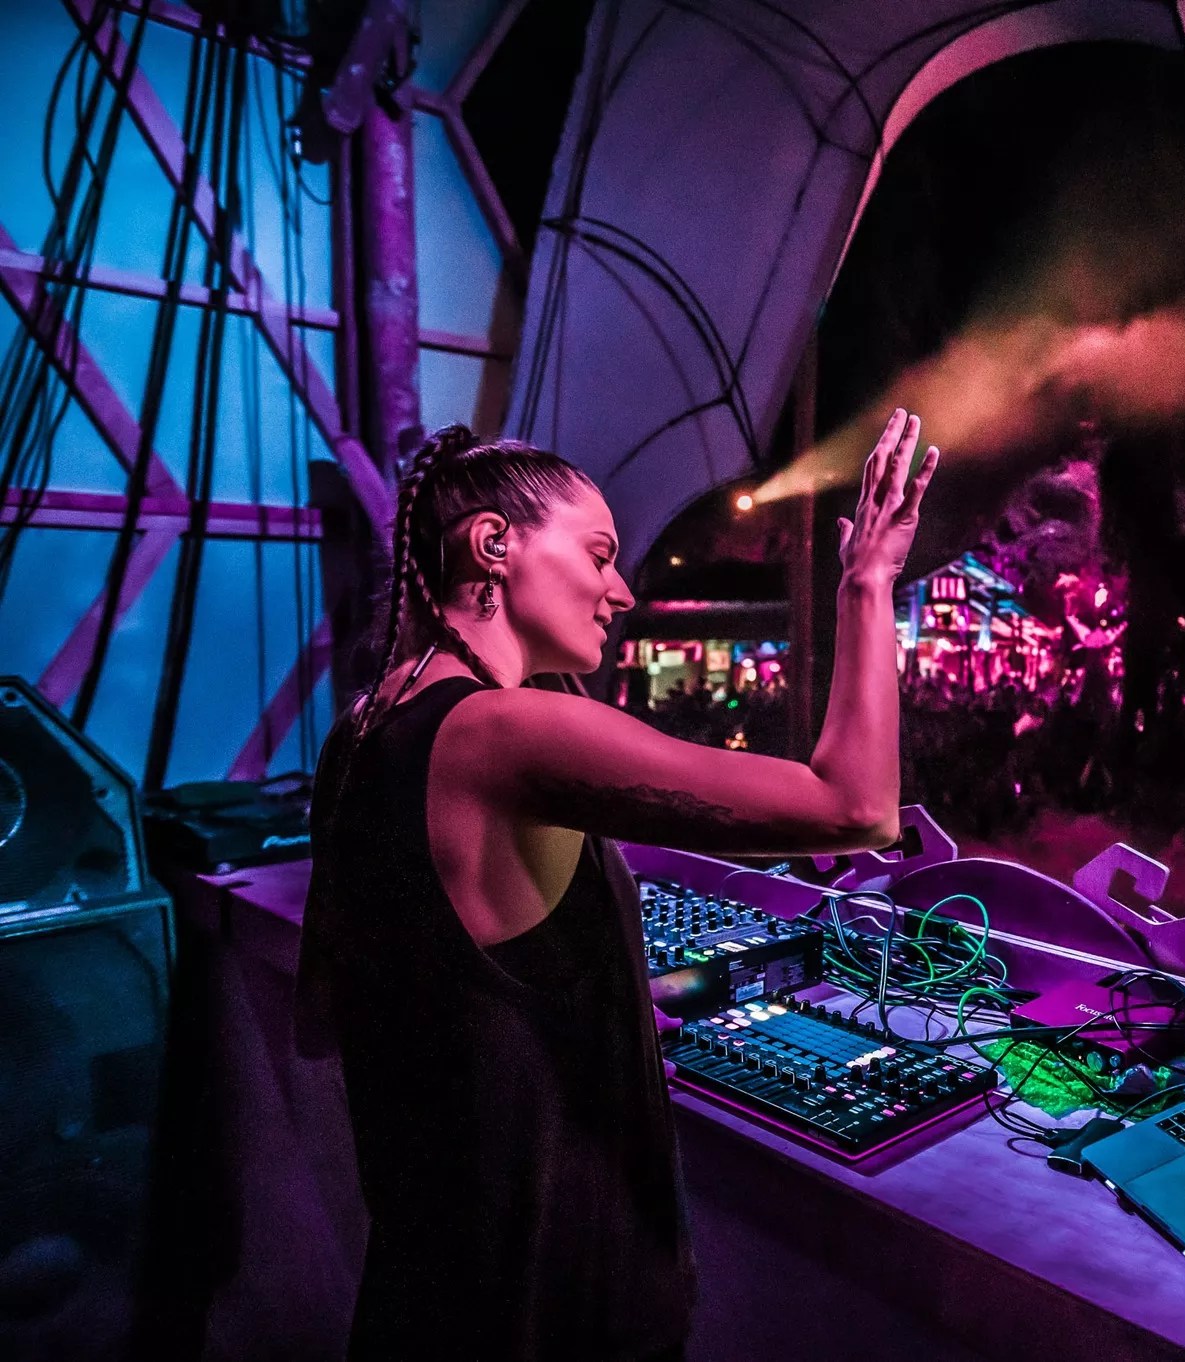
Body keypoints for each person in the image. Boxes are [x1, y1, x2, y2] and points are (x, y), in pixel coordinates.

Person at [296, 410, 938, 1360]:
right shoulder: (501, 734)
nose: (623, 591)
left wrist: (614, 1006)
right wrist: (867, 580)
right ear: (493, 544)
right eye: (599, 555)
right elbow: (855, 808)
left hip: (431, 1293)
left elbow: (336, 1014)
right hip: (549, 1310)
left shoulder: (363, 731)